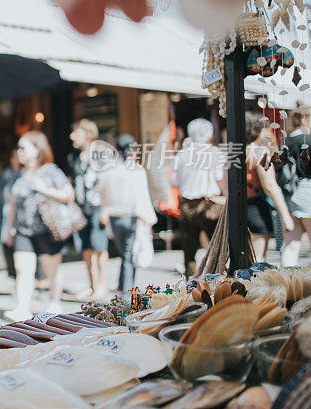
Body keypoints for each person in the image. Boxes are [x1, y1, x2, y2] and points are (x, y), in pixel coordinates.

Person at [3, 131, 75, 320]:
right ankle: (22, 306)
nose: (19, 152)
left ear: (37, 150)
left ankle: (54, 302)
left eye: (23, 148)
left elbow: (69, 195)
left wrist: (46, 190)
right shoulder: (19, 174)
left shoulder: (50, 171)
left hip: (46, 228)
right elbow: (12, 204)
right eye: (18, 147)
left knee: (52, 268)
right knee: (22, 268)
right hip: (22, 229)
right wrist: (9, 227)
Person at [97, 135, 157, 294]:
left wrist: (105, 210)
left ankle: (121, 286)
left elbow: (101, 192)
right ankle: (127, 292)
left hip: (114, 218)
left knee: (125, 254)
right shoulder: (135, 170)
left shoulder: (109, 170)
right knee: (129, 255)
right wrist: (149, 220)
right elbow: (142, 196)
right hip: (131, 217)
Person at [171, 118, 226, 277]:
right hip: (210, 204)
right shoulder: (215, 153)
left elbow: (174, 181)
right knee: (217, 246)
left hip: (187, 205)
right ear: (209, 134)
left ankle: (190, 283)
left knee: (189, 249)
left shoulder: (182, 154)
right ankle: (217, 279)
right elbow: (219, 179)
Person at [68, 119, 109, 299]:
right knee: (85, 247)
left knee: (99, 246)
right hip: (81, 208)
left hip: (98, 206)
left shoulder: (100, 154)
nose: (72, 136)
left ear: (89, 134)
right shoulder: (74, 157)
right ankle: (91, 285)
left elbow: (108, 182)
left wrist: (107, 208)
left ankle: (102, 284)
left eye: (77, 133)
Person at [245, 112, 294, 262]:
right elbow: (270, 186)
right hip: (256, 208)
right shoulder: (260, 152)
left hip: (237, 208)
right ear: (259, 129)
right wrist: (285, 214)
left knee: (245, 258)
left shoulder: (234, 152)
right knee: (259, 259)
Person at [280, 106, 311, 266]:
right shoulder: (308, 140)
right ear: (306, 119)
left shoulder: (285, 141)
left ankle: (286, 282)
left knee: (291, 245)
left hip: (288, 195)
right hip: (307, 192)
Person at [0, 151, 22, 278]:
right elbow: (0, 194)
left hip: (21, 211)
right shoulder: (5, 174)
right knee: (7, 240)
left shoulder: (25, 173)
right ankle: (13, 273)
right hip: (7, 210)